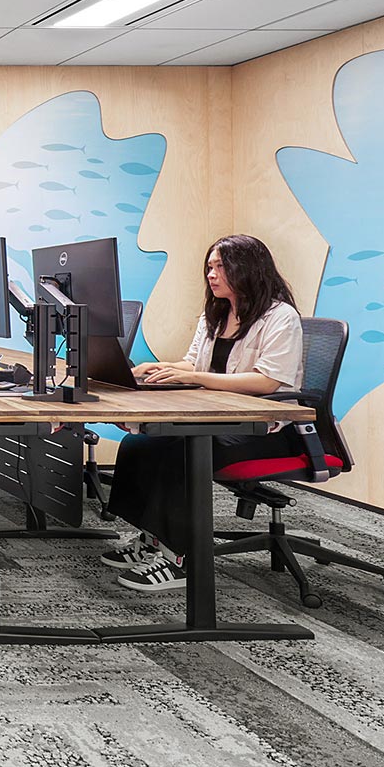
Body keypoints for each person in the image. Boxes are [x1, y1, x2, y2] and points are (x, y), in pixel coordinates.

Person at [105, 234, 307, 592]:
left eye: (220, 267)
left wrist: (193, 376)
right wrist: (162, 368)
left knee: (179, 450)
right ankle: (153, 539)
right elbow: (194, 362)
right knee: (141, 443)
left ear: (248, 268)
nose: (211, 275)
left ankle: (180, 558)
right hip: (217, 416)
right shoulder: (216, 314)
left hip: (265, 429)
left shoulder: (280, 317)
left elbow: (268, 381)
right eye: (209, 267)